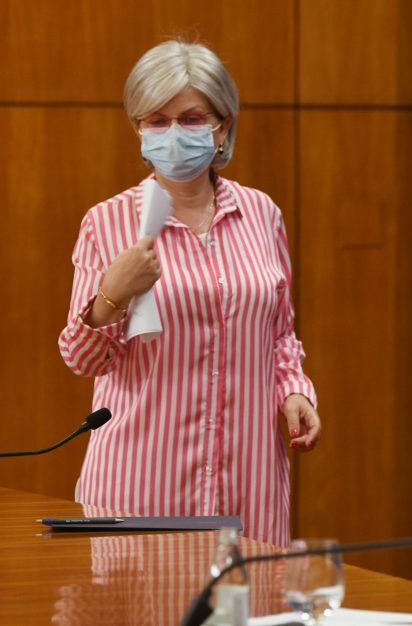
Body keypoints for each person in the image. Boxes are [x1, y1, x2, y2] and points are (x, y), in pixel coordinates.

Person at [58, 40, 320, 547]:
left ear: (222, 126)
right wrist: (112, 294)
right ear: (138, 130)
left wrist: (294, 391)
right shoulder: (107, 222)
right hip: (140, 484)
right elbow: (82, 359)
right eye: (157, 121)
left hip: (248, 485)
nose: (174, 133)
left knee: (246, 597)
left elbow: (280, 335)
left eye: (192, 118)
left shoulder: (262, 214)